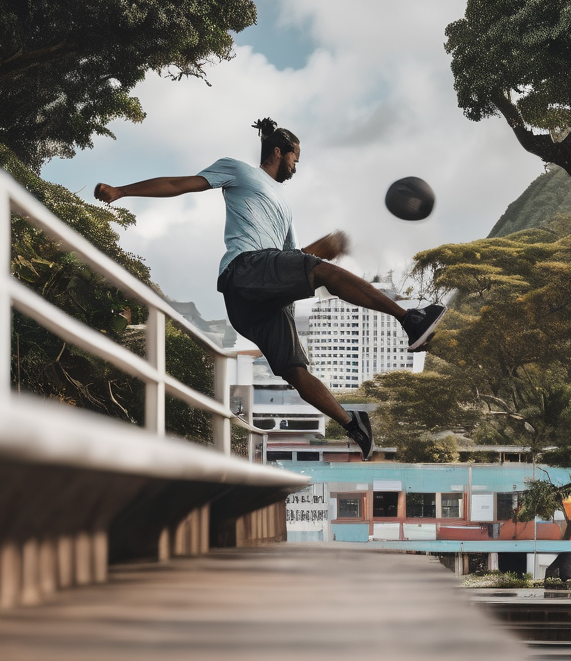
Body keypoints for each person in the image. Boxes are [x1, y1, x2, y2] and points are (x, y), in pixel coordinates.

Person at [94, 118, 446, 460]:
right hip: (246, 269)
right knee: (324, 273)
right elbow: (180, 184)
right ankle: (410, 318)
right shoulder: (238, 170)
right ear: (279, 151)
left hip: (259, 300)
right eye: (296, 158)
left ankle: (352, 424)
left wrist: (323, 248)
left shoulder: (284, 208)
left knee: (295, 370)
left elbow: (294, 260)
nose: (297, 166)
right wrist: (123, 191)